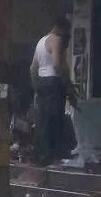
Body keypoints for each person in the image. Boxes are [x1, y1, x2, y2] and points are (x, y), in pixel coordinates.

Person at [30, 17, 77, 166]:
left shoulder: (41, 42)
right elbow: (57, 65)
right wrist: (67, 86)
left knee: (43, 120)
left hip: (42, 82)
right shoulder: (56, 39)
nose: (67, 36)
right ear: (61, 28)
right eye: (67, 32)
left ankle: (40, 156)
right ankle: (54, 156)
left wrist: (37, 87)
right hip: (54, 82)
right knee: (55, 120)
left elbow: (32, 68)